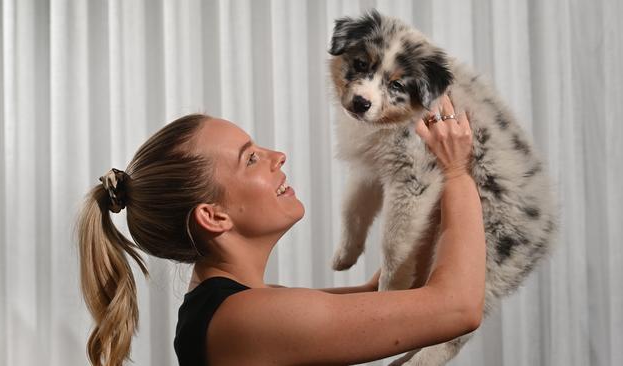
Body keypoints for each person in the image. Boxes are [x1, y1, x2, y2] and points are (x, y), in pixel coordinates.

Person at [76, 94, 485, 366]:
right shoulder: (245, 318)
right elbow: (457, 307)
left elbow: (390, 293)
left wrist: (429, 178)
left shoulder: (248, 304)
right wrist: (456, 170)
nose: (278, 156)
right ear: (214, 216)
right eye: (251, 159)